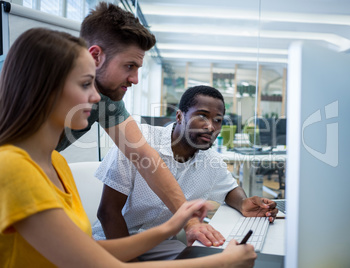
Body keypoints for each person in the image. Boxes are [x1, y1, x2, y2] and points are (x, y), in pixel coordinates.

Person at [0, 28, 257, 267]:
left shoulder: (57, 163)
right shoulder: (14, 167)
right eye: (84, 84)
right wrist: (224, 261)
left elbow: (91, 252)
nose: (96, 97)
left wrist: (177, 224)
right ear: (46, 89)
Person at [56, 2, 199, 240]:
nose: (135, 79)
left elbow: (144, 156)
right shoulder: (28, 84)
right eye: (129, 66)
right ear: (95, 56)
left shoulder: (106, 99)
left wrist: (191, 222)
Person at [93, 85, 278, 260]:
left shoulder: (211, 160)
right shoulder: (139, 141)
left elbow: (230, 190)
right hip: (113, 241)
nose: (211, 127)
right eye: (202, 116)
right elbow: (108, 212)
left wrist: (243, 203)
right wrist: (131, 262)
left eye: (218, 120)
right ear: (180, 116)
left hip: (161, 245)